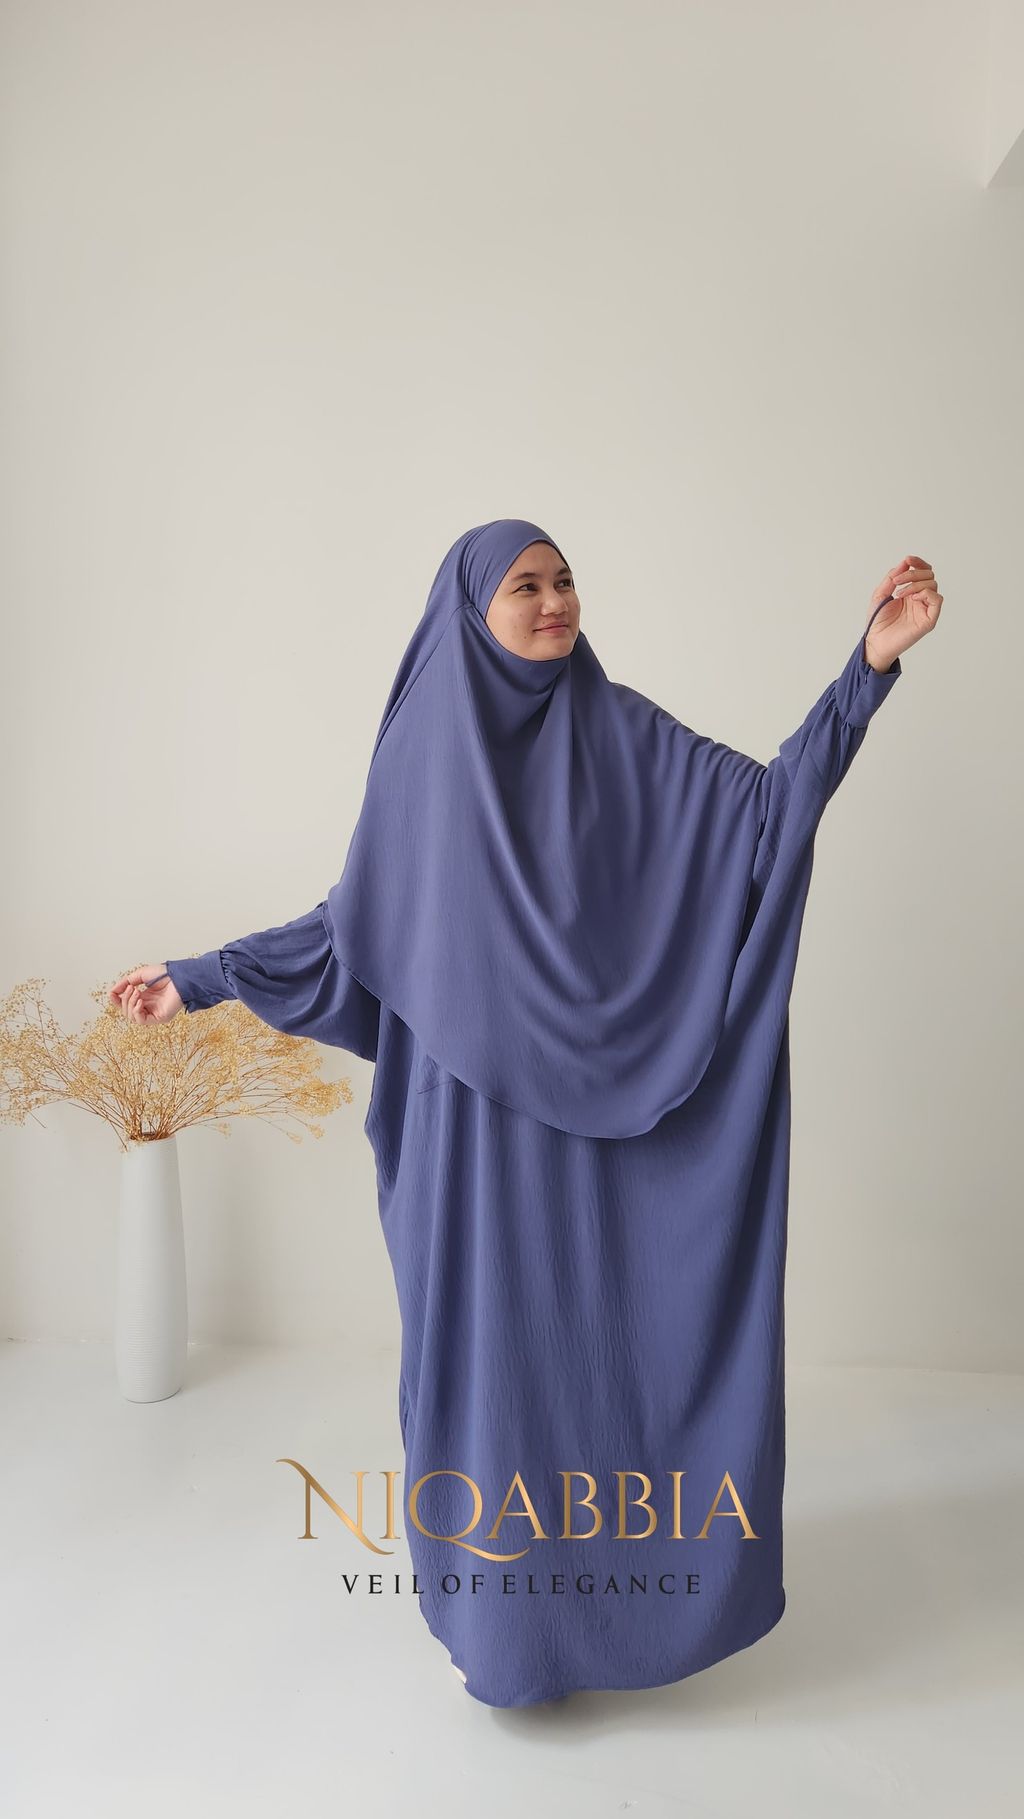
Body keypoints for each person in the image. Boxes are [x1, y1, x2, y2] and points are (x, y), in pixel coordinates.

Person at [110, 520, 942, 1708]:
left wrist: (866, 669)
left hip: (603, 1136)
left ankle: (624, 1613)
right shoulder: (427, 756)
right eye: (524, 586)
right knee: (497, 1370)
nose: (554, 602)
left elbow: (764, 816)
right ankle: (510, 1639)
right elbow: (357, 928)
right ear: (468, 612)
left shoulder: (623, 734)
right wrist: (199, 977)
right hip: (469, 1140)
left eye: (564, 580)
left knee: (593, 1355)